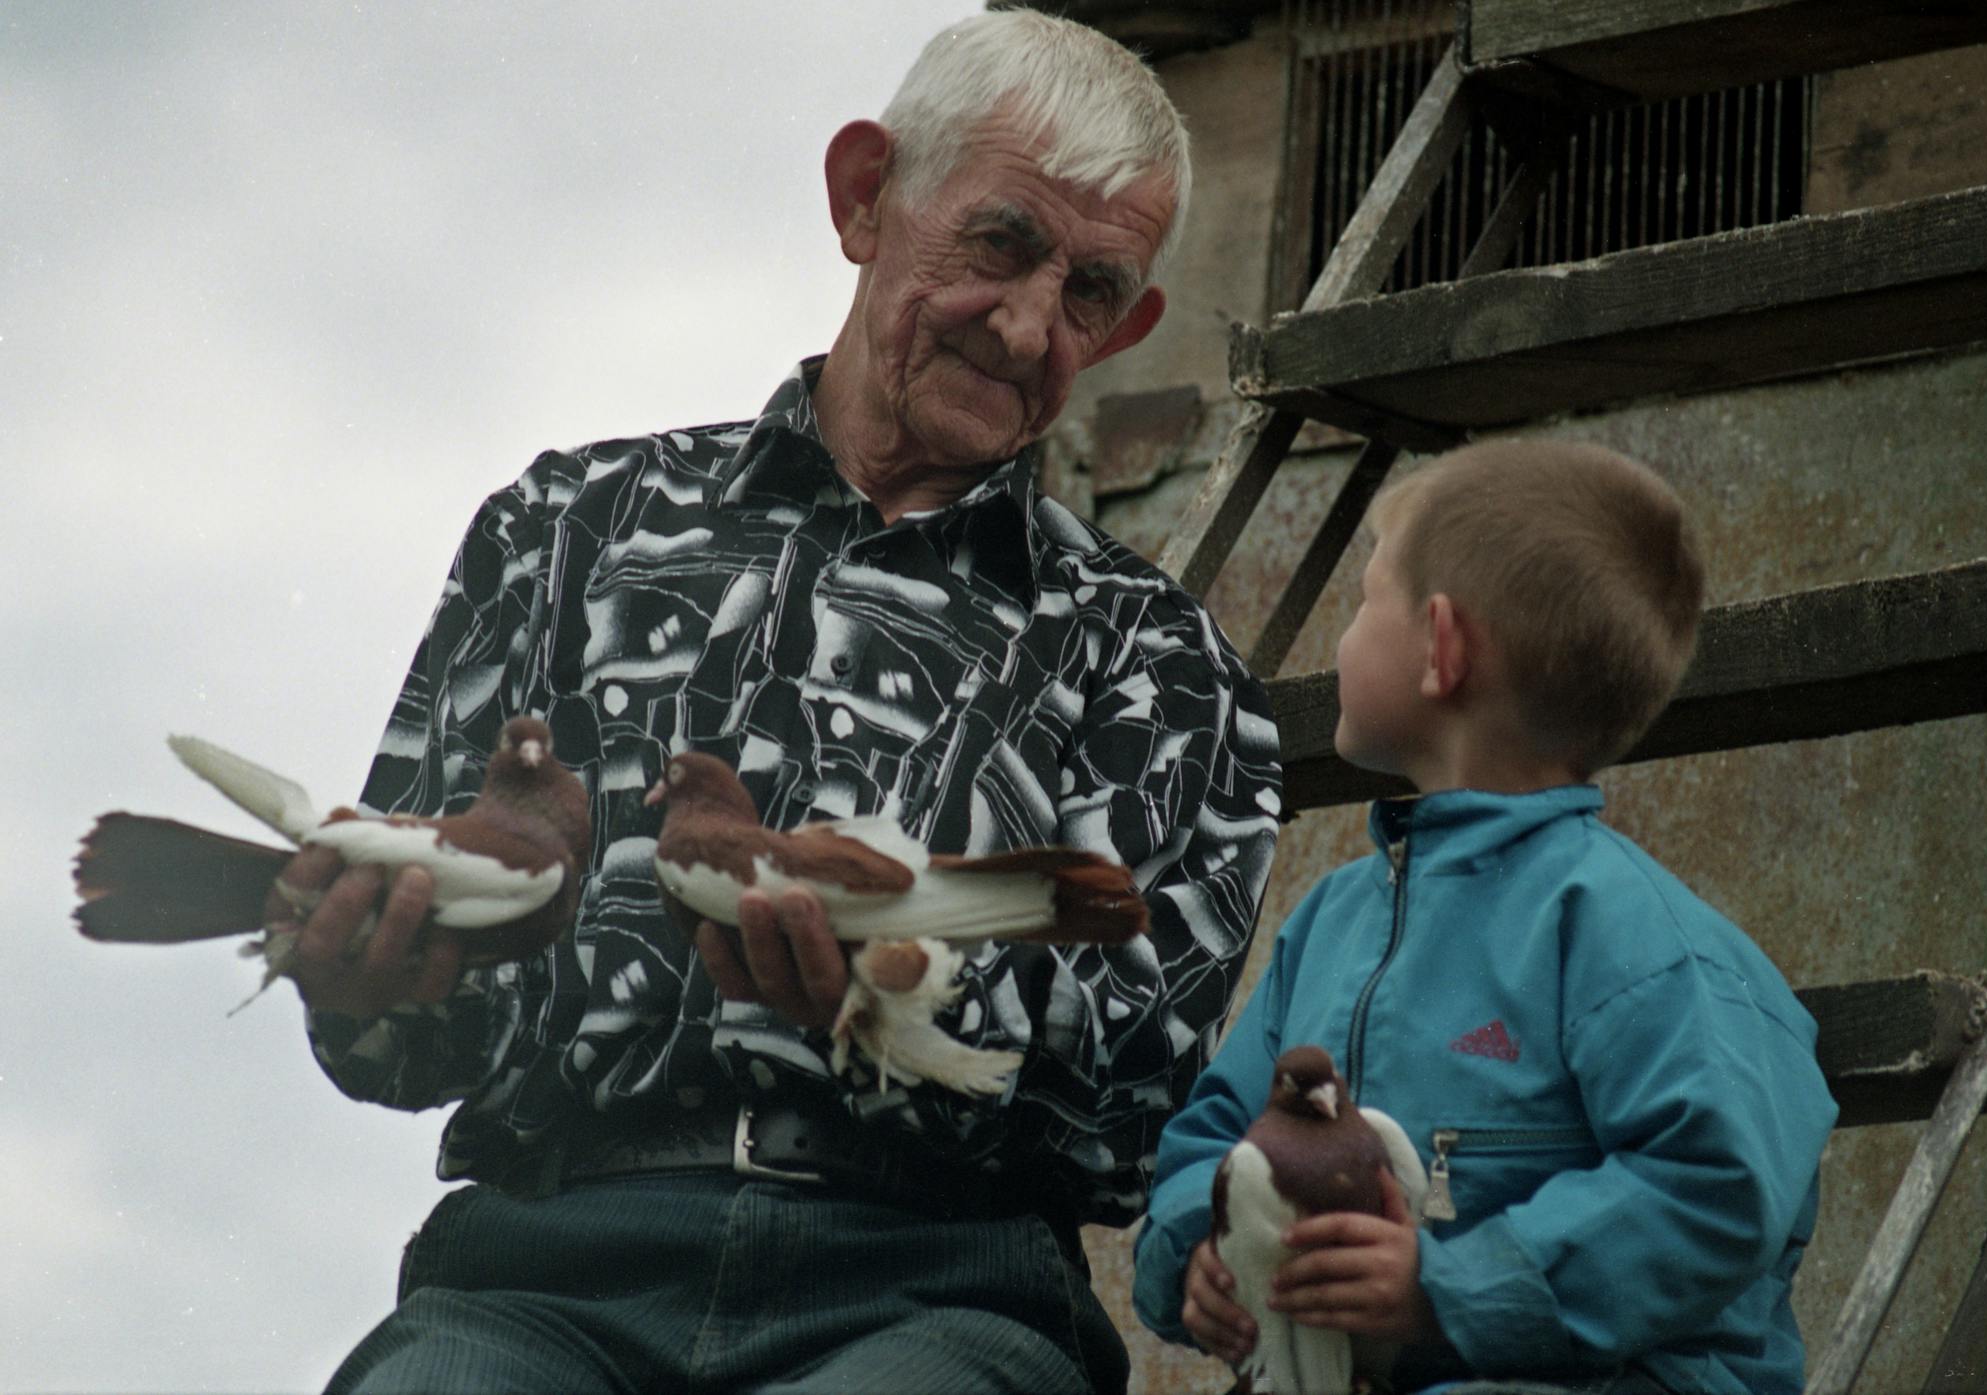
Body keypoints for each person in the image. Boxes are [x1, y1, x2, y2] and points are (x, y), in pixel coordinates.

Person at [274, 12, 1282, 1394]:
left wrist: (907, 997)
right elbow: (417, 1034)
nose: (1032, 323)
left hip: (935, 1296)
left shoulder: (1165, 667)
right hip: (541, 1276)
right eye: (998, 244)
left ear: (1133, 323)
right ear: (866, 197)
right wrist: (362, 985)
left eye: (1093, 289)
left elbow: (1133, 1123)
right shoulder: (568, 530)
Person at [1132, 439, 1837, 1395]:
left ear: (1442, 646)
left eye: (1363, 601)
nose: (1340, 640)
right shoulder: (1334, 920)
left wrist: (1447, 1287)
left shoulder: (1631, 934)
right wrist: (1199, 1253)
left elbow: (1722, 1186)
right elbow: (1216, 1127)